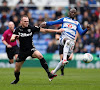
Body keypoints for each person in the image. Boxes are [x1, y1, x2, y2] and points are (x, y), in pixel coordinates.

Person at [10, 15, 64, 84]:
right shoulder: (18, 29)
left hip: (31, 49)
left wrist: (57, 30)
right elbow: (11, 38)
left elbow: (45, 30)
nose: (27, 23)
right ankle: (16, 79)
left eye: (27, 21)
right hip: (22, 52)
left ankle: (49, 74)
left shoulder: (31, 28)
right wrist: (14, 38)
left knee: (40, 56)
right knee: (16, 70)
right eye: (25, 21)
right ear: (21, 22)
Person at [40, 8, 91, 81]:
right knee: (67, 42)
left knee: (63, 62)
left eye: (74, 12)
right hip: (63, 39)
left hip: (71, 44)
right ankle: (64, 59)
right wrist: (45, 23)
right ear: (69, 13)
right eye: (71, 12)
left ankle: (52, 73)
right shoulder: (64, 19)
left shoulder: (77, 23)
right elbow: (53, 22)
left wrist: (87, 29)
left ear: (75, 14)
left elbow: (81, 33)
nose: (73, 13)